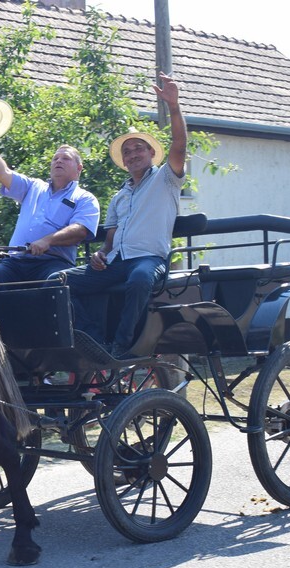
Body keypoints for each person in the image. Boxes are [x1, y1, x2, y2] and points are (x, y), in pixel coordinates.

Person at [56, 72, 188, 358]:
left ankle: (122, 345)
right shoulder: (119, 196)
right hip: (116, 262)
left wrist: (173, 106)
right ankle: (92, 340)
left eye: (138, 148)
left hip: (149, 258)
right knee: (57, 281)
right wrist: (100, 254)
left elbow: (179, 145)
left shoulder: (166, 179)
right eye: (127, 152)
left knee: (139, 279)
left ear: (151, 153)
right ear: (124, 161)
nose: (132, 154)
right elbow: (110, 241)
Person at [0, 142, 100, 286]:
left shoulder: (85, 198)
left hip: (53, 262)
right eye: (55, 158)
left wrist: (47, 241)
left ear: (79, 168)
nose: (59, 161)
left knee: (55, 280)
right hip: (16, 260)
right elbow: (3, 173)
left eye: (66, 158)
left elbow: (80, 230)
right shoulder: (33, 186)